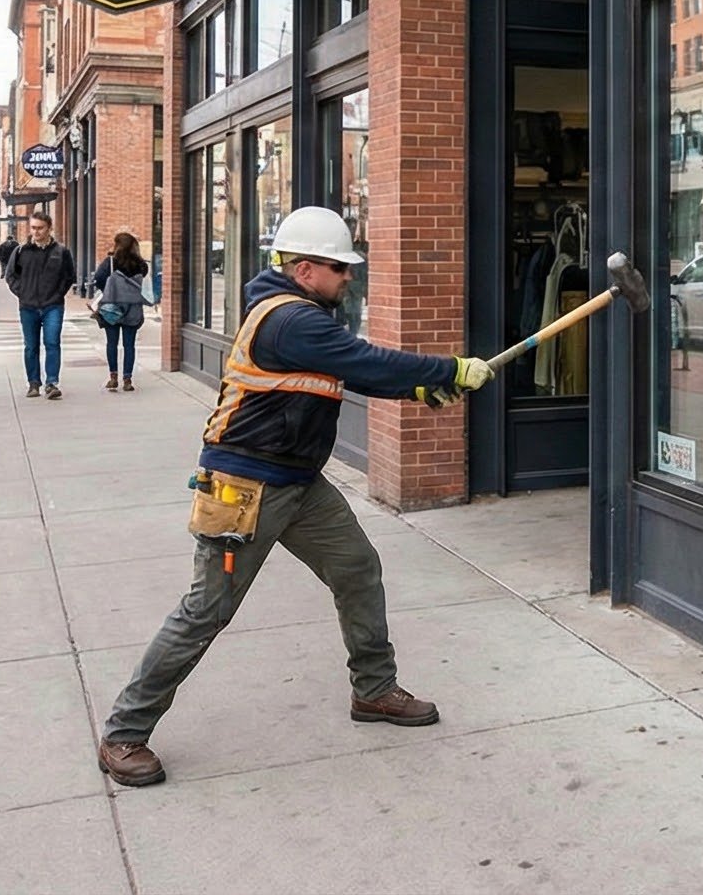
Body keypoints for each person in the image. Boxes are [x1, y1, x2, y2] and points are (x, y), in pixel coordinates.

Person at [97, 206, 495, 788]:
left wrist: (418, 389)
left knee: (357, 568)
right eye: (340, 268)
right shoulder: (290, 319)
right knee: (205, 612)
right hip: (246, 488)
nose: (349, 277)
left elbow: (348, 372)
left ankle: (374, 689)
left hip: (298, 481)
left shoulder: (299, 316)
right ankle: (124, 732)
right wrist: (449, 370)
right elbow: (363, 360)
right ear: (306, 269)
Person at [3, 213, 80, 400]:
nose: (36, 232)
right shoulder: (21, 251)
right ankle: (33, 383)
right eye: (33, 228)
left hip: (52, 305)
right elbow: (11, 275)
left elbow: (69, 276)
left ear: (49, 228)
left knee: (52, 342)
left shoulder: (61, 252)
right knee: (31, 346)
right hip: (28, 306)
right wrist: (22, 292)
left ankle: (52, 382)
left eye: (40, 228)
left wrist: (58, 293)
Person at [88, 230, 159, 392]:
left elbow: (98, 278)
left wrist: (109, 290)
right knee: (129, 345)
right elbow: (144, 283)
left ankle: (113, 377)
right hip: (133, 308)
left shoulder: (110, 262)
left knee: (112, 343)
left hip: (112, 307)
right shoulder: (141, 265)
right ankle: (127, 379)